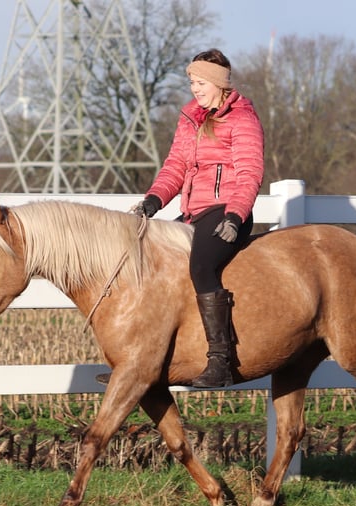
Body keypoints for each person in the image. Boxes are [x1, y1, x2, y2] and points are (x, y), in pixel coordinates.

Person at [133, 48, 265, 388]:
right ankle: (150, 359)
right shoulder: (191, 117)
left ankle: (221, 360)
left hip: (227, 213)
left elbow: (250, 173)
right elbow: (175, 166)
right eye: (191, 81)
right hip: (194, 212)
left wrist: (236, 215)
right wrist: (154, 200)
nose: (194, 88)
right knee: (151, 261)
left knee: (201, 267)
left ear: (219, 83)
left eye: (201, 81)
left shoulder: (242, 118)